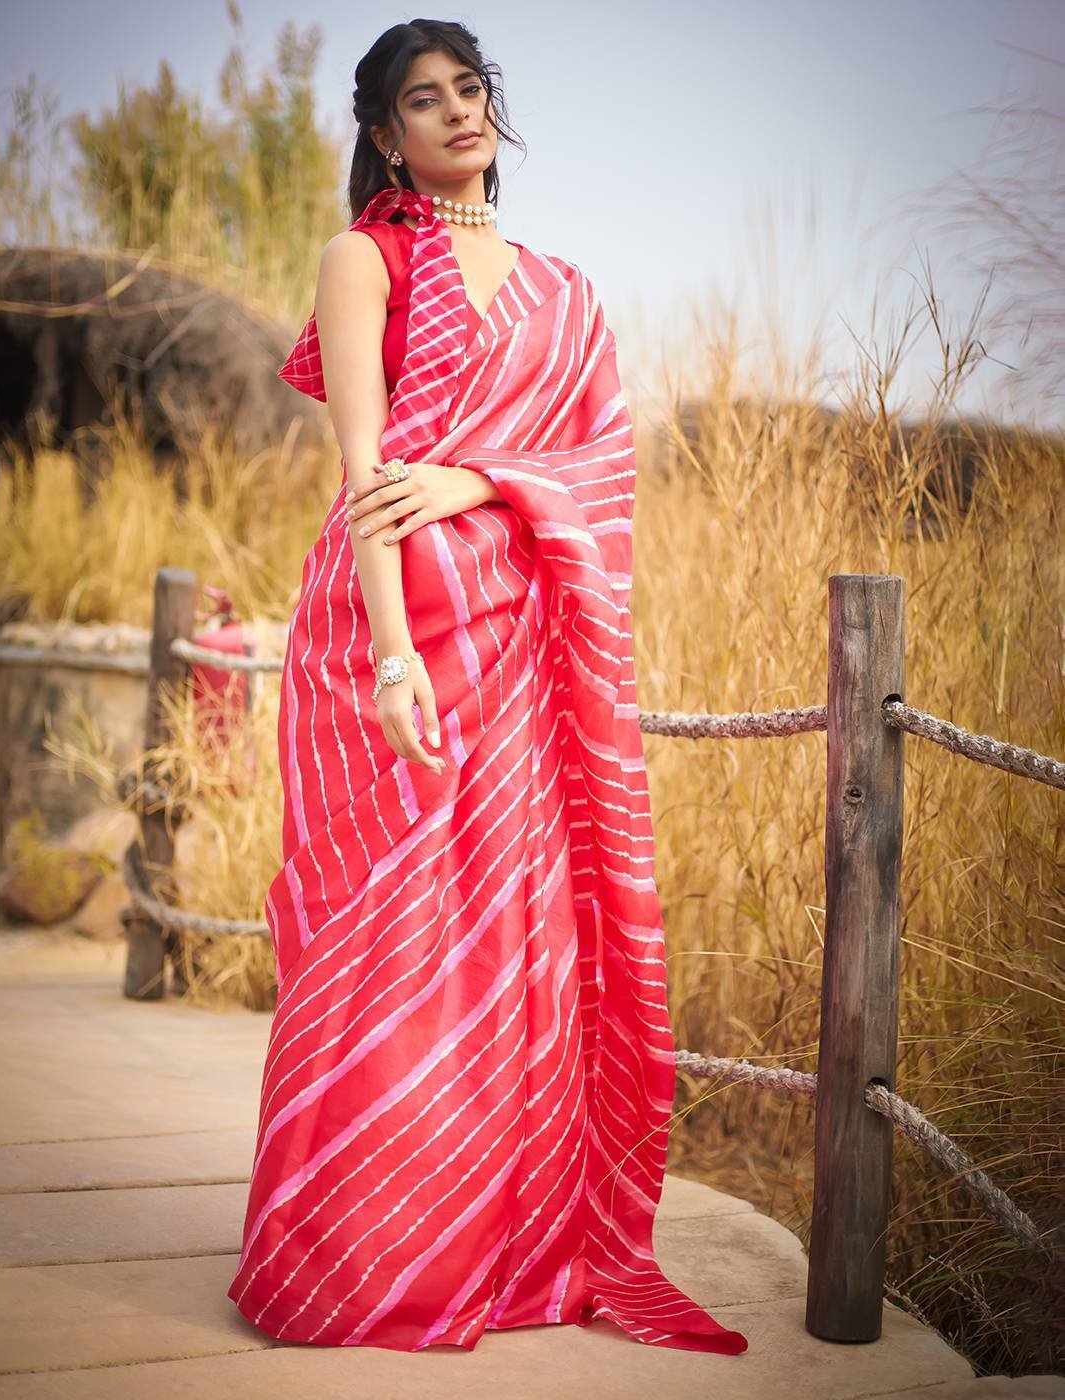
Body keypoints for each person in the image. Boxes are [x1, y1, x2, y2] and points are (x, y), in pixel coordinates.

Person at [227, 18, 749, 1358]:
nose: (458, 112)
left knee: (507, 943)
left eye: (471, 89)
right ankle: (357, 1256)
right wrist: (393, 656)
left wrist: (475, 478)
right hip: (388, 631)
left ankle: (493, 1247)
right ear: (385, 133)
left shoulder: (563, 293)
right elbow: (365, 471)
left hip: (519, 640)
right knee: (386, 940)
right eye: (425, 99)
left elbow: (603, 468)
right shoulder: (366, 258)